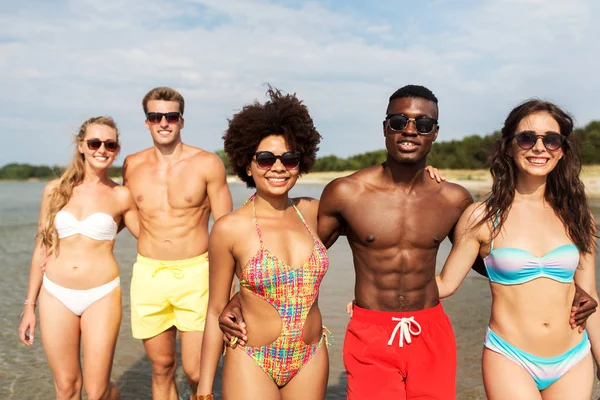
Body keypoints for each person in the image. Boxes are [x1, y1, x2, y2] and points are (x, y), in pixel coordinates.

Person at [217, 86, 597, 399]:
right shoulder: (346, 193)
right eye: (400, 121)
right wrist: (245, 293)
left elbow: (491, 260)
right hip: (371, 331)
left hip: (430, 330)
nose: (410, 130)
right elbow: (301, 255)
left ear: (435, 132)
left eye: (423, 123)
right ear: (385, 127)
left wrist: (567, 287)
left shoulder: (452, 199)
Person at [435, 100, 599, 399]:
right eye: (527, 138)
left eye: (551, 139)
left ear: (562, 150)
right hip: (510, 358)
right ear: (509, 146)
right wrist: (376, 294)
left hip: (574, 357)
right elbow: (444, 285)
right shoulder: (482, 216)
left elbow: (591, 298)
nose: (539, 147)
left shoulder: (578, 215)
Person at [196, 88, 330, 400]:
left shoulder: (313, 211)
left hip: (310, 355)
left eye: (290, 158)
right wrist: (203, 390)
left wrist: (418, 174)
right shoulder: (229, 228)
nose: (279, 167)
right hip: (252, 358)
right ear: (247, 163)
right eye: (266, 159)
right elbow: (216, 307)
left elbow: (369, 208)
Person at [18, 116, 139, 400]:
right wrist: (28, 306)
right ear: (81, 146)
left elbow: (149, 239)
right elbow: (42, 247)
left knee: (97, 391)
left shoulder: (122, 195)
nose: (102, 149)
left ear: (117, 149)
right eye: (94, 143)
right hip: (55, 294)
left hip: (102, 294)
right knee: (66, 387)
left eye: (110, 144)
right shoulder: (55, 190)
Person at [123, 87, 232, 400]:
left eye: (171, 116)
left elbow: (226, 227)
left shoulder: (207, 163)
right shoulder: (132, 165)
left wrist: (235, 286)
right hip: (149, 274)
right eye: (155, 116)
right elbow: (122, 209)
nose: (163, 122)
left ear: (181, 120)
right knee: (162, 367)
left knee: (198, 372)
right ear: (146, 122)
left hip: (196, 272)